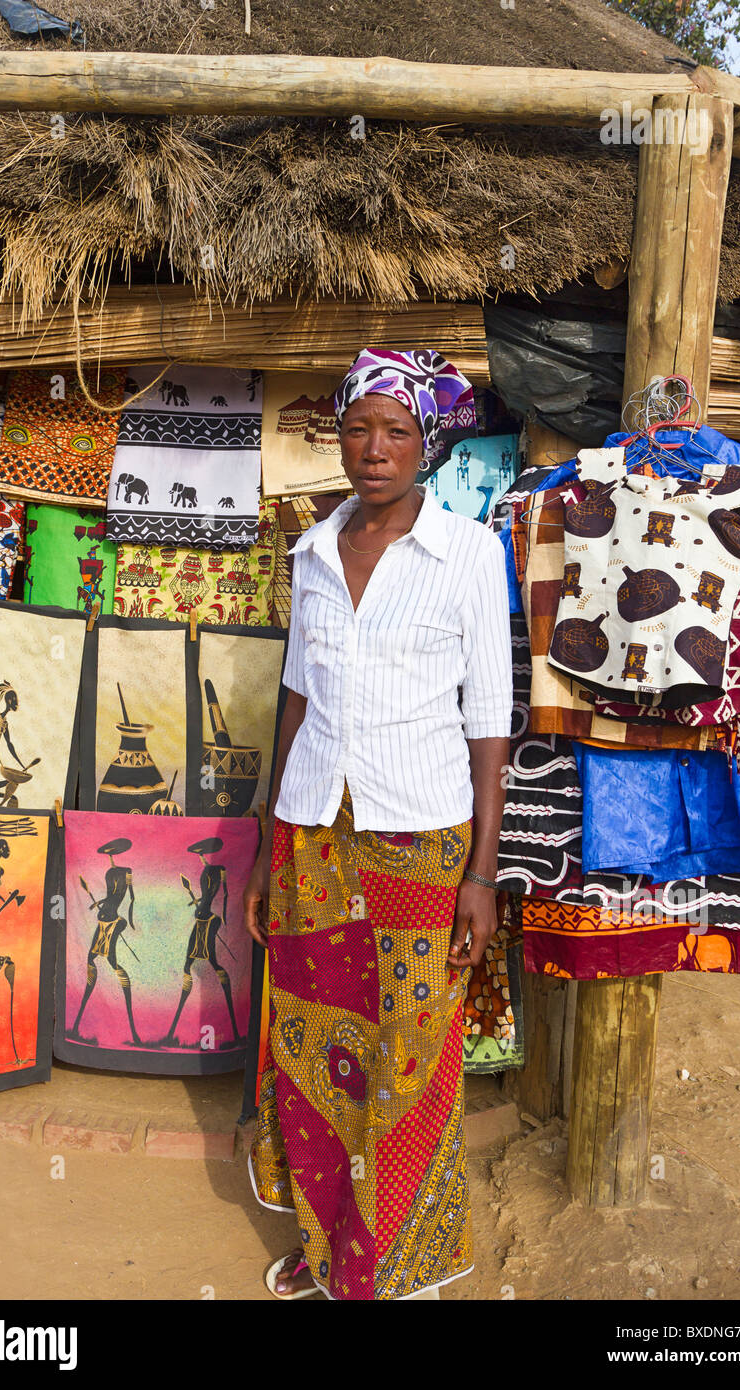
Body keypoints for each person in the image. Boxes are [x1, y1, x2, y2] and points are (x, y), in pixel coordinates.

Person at [243, 347, 512, 1301]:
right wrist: (270, 850)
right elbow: (296, 701)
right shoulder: (311, 553)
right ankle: (330, 1251)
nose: (374, 448)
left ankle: (403, 1265)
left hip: (422, 835)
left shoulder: (471, 556)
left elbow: (489, 721)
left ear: (429, 444)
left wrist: (482, 873)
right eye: (359, 427)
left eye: (396, 431)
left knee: (409, 1051)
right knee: (316, 1044)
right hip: (315, 832)